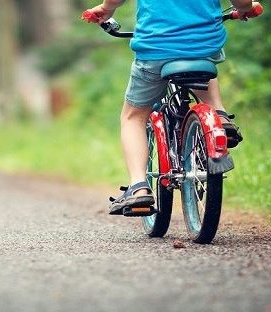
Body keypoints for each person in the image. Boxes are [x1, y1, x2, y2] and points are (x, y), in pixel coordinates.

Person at [83, 0, 257, 214]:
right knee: (203, 63)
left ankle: (139, 189)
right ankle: (219, 117)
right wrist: (245, 9)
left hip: (155, 51)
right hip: (204, 47)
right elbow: (242, 2)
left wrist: (105, 9)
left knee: (133, 117)